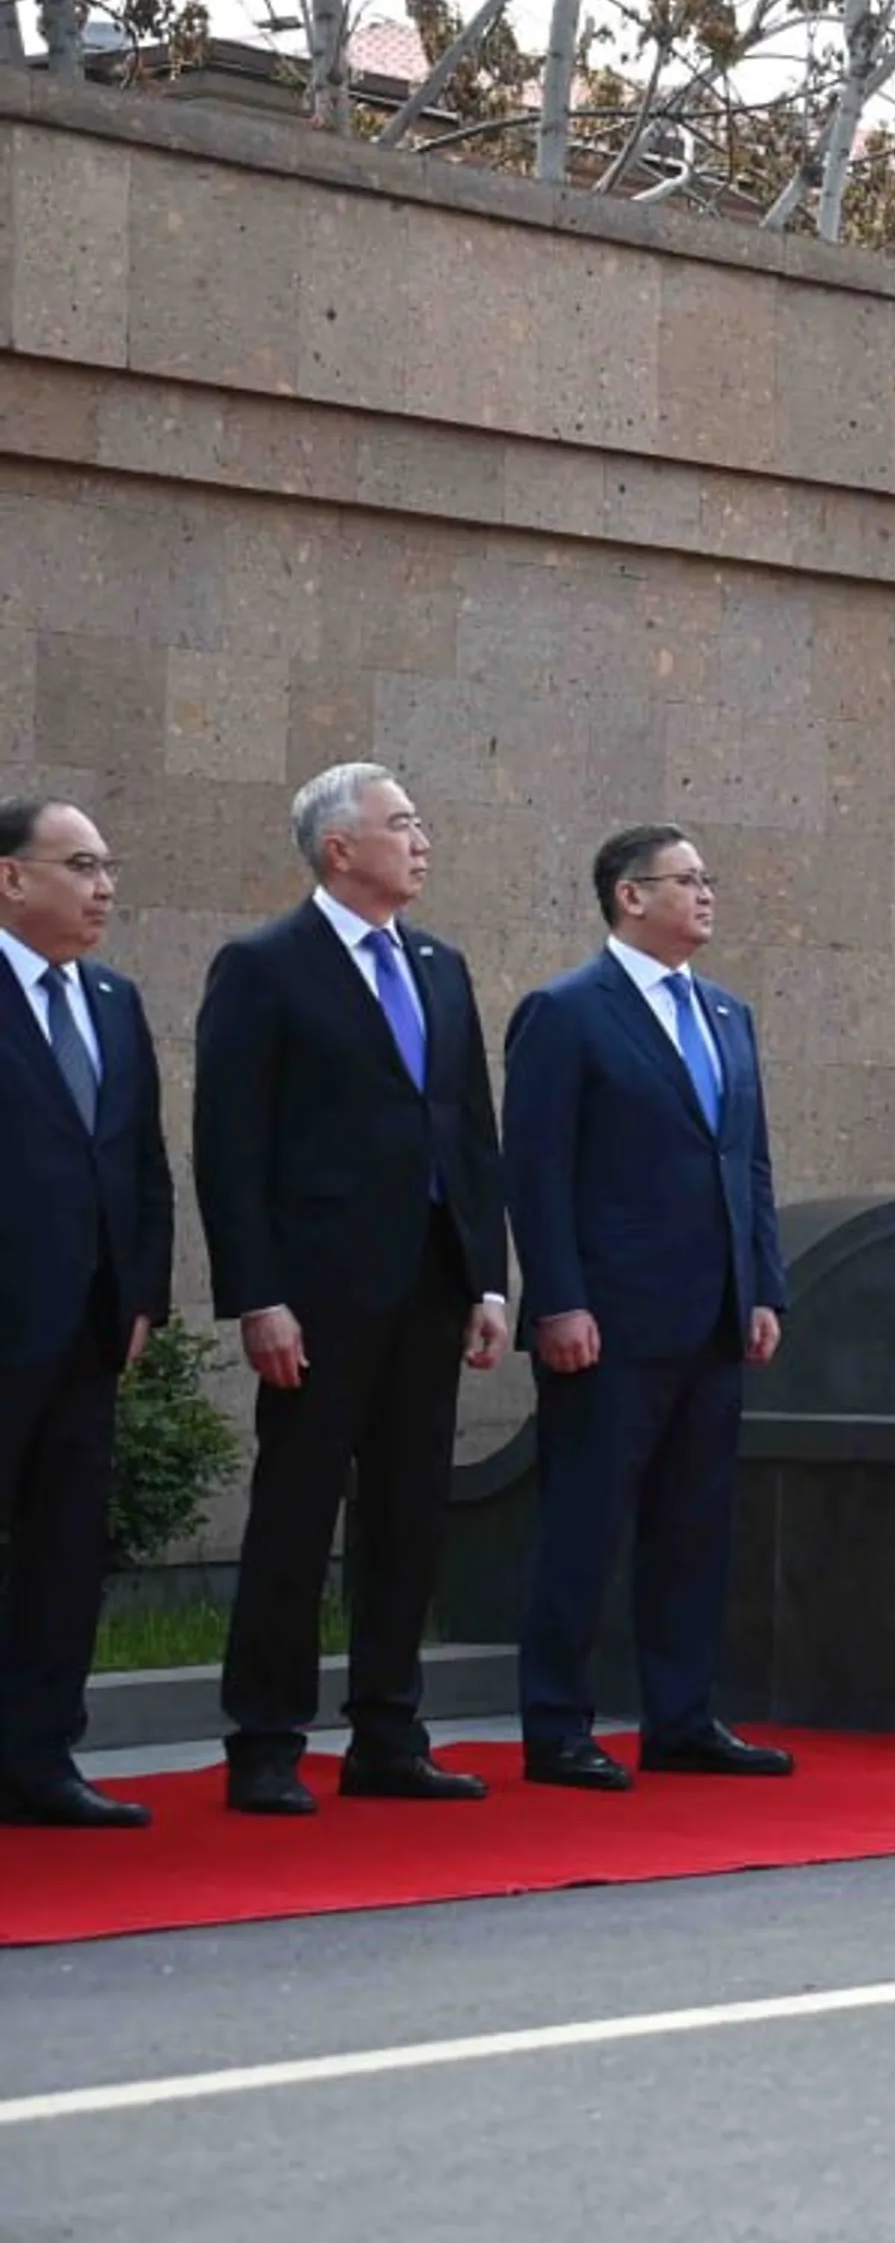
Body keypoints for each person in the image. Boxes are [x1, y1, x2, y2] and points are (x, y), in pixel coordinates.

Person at [196, 765, 511, 1817]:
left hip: (431, 1281)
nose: (422, 842)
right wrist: (257, 1295)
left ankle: (388, 1733)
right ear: (340, 848)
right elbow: (230, 1146)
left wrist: (488, 1279)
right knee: (296, 1514)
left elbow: (470, 1132)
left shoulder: (440, 964)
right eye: (402, 824)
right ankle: (266, 1741)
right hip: (318, 1293)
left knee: (409, 1515)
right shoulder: (265, 966)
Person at [500, 825, 796, 1791]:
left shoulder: (727, 1013)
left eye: (709, 878)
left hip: (714, 1315)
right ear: (630, 896)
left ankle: (682, 1717)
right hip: (609, 1321)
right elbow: (536, 1171)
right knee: (585, 1527)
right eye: (686, 879)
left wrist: (763, 1285)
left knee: (694, 1528)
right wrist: (559, 1300)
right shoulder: (566, 1012)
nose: (706, 894)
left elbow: (748, 1162)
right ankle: (557, 1724)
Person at [0, 798, 173, 1828]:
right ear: (11, 877)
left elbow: (140, 1159)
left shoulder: (111, 999)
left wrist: (143, 1292)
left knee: (64, 1549)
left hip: (90, 1328)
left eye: (108, 867)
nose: (102, 887)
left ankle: (36, 1759)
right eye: (79, 865)